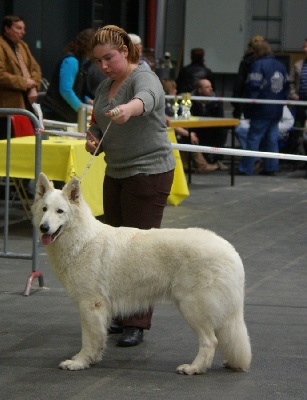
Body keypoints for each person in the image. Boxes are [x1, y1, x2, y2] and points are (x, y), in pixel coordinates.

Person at [85, 25, 175, 347]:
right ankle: (120, 314)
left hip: (149, 173)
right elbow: (97, 122)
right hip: (117, 173)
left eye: (109, 57)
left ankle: (136, 322)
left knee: (140, 252)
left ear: (125, 51)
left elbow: (146, 100)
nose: (104, 65)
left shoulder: (144, 77)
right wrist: (93, 137)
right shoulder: (104, 87)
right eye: (98, 61)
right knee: (115, 252)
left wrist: (128, 109)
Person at [238, 40, 289, 176]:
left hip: (260, 108)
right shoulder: (281, 65)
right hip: (277, 108)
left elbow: (253, 86)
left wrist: (249, 103)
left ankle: (246, 168)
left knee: (253, 138)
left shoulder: (258, 64)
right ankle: (271, 167)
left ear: (257, 52)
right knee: (272, 139)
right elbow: (286, 88)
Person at [161, 79, 218, 173]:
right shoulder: (163, 105)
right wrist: (189, 134)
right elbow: (170, 124)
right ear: (167, 91)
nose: (176, 91)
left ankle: (187, 164)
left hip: (174, 131)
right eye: (173, 89)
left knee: (189, 135)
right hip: (168, 134)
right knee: (189, 137)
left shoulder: (171, 103)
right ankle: (201, 165)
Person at [0, 15, 42, 139]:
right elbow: (1, 74)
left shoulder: (22, 46)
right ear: (7, 29)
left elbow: (36, 69)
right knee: (8, 142)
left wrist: (33, 86)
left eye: (23, 29)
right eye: (18, 28)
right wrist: (25, 83)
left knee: (27, 139)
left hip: (27, 103)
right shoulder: (1, 45)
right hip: (7, 105)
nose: (22, 32)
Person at [42, 28, 96, 123]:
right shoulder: (71, 61)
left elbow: (77, 89)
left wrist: (88, 101)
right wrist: (83, 109)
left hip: (63, 112)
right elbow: (66, 91)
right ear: (89, 46)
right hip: (56, 112)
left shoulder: (80, 62)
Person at [190, 79, 229, 170]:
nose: (211, 89)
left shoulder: (217, 101)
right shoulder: (190, 100)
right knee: (189, 134)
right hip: (195, 128)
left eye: (211, 86)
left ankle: (217, 159)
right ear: (199, 90)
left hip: (212, 128)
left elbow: (220, 118)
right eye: (207, 87)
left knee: (223, 130)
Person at [232, 35, 264, 119]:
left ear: (250, 47)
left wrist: (235, 100)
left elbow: (240, 82)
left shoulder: (245, 62)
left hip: (245, 98)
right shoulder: (266, 62)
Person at [289, 38, 307, 129]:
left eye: (306, 47)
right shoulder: (298, 65)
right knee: (298, 126)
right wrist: (294, 94)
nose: (304, 49)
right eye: (304, 47)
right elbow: (291, 81)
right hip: (300, 100)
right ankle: (298, 142)